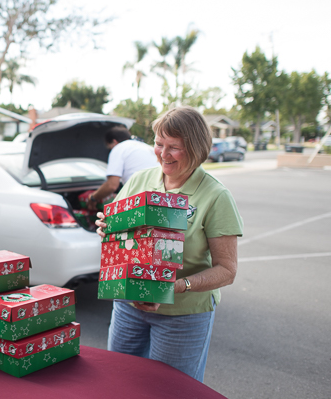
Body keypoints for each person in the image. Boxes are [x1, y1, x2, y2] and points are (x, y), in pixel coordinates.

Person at [95, 107, 243, 382]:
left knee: (170, 389)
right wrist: (107, 228)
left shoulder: (215, 195)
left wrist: (176, 287)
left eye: (174, 147)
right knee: (118, 381)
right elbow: (118, 236)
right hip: (129, 304)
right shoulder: (140, 180)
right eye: (158, 144)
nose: (163, 154)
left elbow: (227, 270)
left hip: (183, 314)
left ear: (196, 148)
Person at [87, 126, 158, 209]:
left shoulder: (119, 148)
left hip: (141, 201)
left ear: (114, 142)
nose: (111, 150)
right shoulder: (147, 147)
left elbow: (112, 186)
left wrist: (92, 197)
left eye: (110, 147)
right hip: (160, 198)